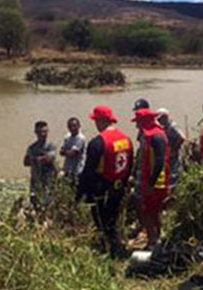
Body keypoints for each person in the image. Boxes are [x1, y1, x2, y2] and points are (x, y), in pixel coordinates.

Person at [77, 105, 133, 259]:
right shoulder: (126, 139)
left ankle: (110, 250)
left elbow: (88, 171)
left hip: (102, 188)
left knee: (102, 220)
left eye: (96, 120)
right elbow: (130, 165)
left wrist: (80, 194)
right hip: (119, 186)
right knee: (114, 217)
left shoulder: (97, 142)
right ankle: (116, 247)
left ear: (100, 121)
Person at [132, 108, 169, 247]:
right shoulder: (152, 134)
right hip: (151, 180)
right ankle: (157, 239)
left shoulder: (156, 136)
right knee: (153, 212)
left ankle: (153, 241)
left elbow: (160, 162)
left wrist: (150, 183)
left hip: (155, 182)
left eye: (139, 123)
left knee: (148, 212)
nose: (137, 126)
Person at [24, 121, 57, 209]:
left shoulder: (51, 146)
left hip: (48, 180)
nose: (43, 134)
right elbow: (25, 162)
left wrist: (34, 159)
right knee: (34, 202)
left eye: (45, 132)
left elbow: (49, 159)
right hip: (35, 179)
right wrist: (37, 159)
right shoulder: (32, 147)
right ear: (36, 132)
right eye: (40, 132)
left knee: (48, 204)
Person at [156, 107, 186, 192]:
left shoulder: (172, 126)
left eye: (160, 119)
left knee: (175, 175)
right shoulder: (165, 127)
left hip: (175, 156)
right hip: (170, 156)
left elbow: (182, 137)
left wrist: (174, 149)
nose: (158, 121)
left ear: (165, 117)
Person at [59, 117, 86, 182]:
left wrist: (65, 151)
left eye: (74, 126)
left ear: (79, 126)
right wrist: (66, 152)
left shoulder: (80, 138)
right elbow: (61, 152)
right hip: (67, 169)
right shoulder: (67, 137)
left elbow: (73, 153)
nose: (72, 128)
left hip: (78, 170)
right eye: (70, 126)